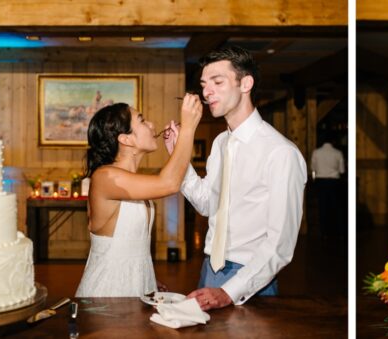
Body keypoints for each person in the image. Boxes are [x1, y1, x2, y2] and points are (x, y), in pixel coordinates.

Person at [171, 45, 307, 311]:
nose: (206, 92)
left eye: (217, 82)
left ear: (246, 83)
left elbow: (280, 245)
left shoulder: (281, 153)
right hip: (210, 266)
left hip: (251, 279)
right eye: (203, 84)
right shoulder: (221, 142)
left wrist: (229, 291)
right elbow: (207, 204)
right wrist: (181, 160)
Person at [75, 96, 203, 297]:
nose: (152, 125)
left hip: (137, 287)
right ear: (125, 139)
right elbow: (169, 183)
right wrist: (188, 128)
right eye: (142, 120)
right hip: (108, 292)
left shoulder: (130, 180)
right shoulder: (105, 177)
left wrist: (145, 276)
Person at [310, 136, 345, 239]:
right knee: (336, 207)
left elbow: (313, 168)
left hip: (321, 181)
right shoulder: (338, 153)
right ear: (333, 141)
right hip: (334, 182)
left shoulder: (316, 152)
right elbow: (342, 170)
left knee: (323, 207)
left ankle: (324, 232)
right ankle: (338, 232)